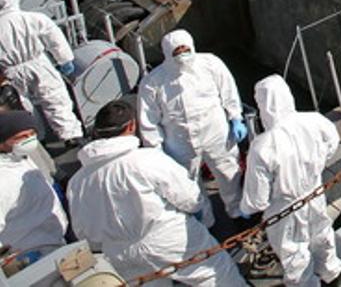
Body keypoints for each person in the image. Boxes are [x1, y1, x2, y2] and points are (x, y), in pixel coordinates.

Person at [68, 100, 246, 286]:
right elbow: (190, 198)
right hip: (166, 238)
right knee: (214, 274)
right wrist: (198, 212)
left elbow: (83, 231)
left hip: (119, 254)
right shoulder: (146, 160)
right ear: (131, 126)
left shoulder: (77, 182)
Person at [242, 76, 341, 286]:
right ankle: (335, 280)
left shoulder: (262, 146)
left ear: (263, 105)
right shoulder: (314, 120)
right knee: (323, 239)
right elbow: (332, 141)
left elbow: (257, 200)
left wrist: (245, 208)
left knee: (295, 256)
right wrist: (316, 164)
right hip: (314, 194)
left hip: (284, 209)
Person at [138, 29, 247, 220]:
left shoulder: (210, 64)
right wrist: (156, 149)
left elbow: (228, 90)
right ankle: (204, 220)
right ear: (167, 53)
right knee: (188, 183)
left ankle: (236, 209)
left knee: (228, 172)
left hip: (216, 133)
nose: (182, 55)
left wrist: (235, 117)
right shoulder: (153, 82)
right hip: (179, 142)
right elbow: (149, 120)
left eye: (185, 49)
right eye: (177, 52)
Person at [0, 0, 84, 145]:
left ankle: (36, 136)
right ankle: (70, 135)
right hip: (38, 63)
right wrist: (64, 59)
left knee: (24, 105)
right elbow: (54, 37)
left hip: (12, 71)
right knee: (55, 98)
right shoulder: (31, 18)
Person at [0, 109, 67, 256]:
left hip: (55, 244)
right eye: (21, 137)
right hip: (31, 257)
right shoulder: (3, 179)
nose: (29, 140)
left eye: (32, 134)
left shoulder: (22, 159)